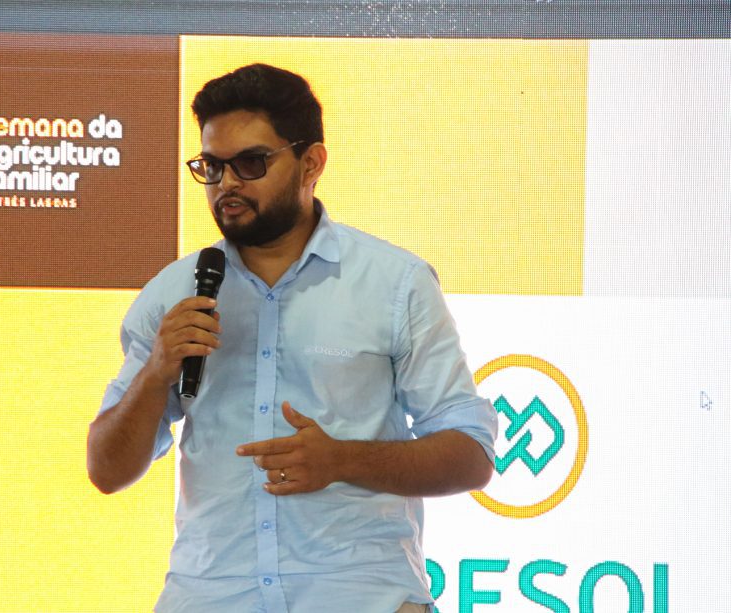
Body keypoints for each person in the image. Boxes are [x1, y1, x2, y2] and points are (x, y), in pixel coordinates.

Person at [87, 63, 498, 613]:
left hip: (360, 598)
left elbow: (471, 455)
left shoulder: (393, 283)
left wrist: (342, 460)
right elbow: (106, 471)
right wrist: (156, 370)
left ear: (312, 163)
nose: (227, 184)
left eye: (250, 163)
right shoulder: (173, 293)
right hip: (211, 597)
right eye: (212, 166)